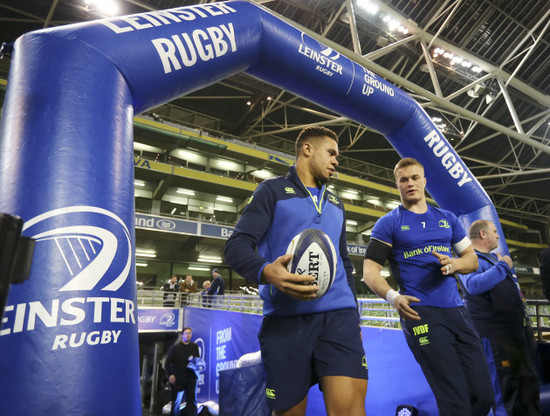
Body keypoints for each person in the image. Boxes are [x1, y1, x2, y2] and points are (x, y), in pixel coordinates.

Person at [225, 126, 367, 416]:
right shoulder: (272, 191)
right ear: (307, 150)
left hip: (339, 319)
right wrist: (267, 271)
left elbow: (344, 262)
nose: (336, 161)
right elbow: (236, 245)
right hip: (286, 322)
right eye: (331, 153)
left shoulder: (337, 204)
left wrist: (355, 313)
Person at [362, 157, 493, 416]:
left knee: (483, 395)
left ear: (424, 181)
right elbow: (369, 272)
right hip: (422, 314)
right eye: (403, 180)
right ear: (397, 185)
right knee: (454, 399)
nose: (409, 183)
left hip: (457, 312)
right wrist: (392, 297)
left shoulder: (447, 219)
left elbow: (472, 260)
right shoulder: (389, 223)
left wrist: (454, 265)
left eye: (414, 178)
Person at [458, 220, 541, 416]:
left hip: (515, 335)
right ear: (483, 234)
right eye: (494, 232)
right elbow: (474, 286)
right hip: (495, 338)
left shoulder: (493, 260)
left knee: (527, 384)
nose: (497, 236)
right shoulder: (469, 260)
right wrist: (503, 266)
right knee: (505, 390)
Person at [165, 328, 201, 416]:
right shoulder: (175, 348)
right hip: (178, 379)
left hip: (191, 378)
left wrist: (197, 368)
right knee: (176, 402)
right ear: (182, 335)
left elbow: (198, 361)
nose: (188, 335)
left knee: (192, 402)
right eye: (186, 333)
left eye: (190, 333)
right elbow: (167, 363)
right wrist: (170, 375)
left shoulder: (194, 346)